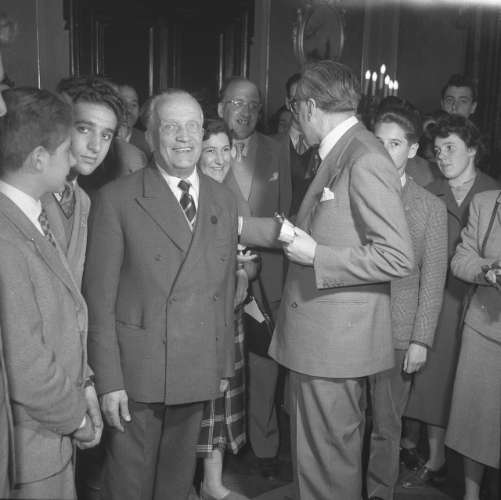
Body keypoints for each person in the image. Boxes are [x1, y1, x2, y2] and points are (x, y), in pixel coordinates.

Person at [240, 60, 414, 500]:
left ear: (310, 106)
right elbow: (311, 229)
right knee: (316, 462)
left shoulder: (364, 157)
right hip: (321, 341)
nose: (294, 118)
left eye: (294, 108)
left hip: (335, 345)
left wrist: (318, 256)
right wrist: (238, 226)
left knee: (327, 465)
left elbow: (397, 256)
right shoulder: (341, 151)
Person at [83, 89, 238, 500]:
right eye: (171, 127)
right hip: (137, 373)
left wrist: (222, 364)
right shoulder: (117, 199)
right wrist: (108, 381)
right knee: (129, 485)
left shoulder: (223, 198)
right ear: (150, 136)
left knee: (175, 482)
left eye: (192, 126)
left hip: (197, 364)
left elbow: (224, 292)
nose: (184, 137)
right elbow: (98, 301)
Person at [0, 87, 101, 499]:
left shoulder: (36, 212)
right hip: (30, 448)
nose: (73, 160)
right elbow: (24, 361)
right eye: (65, 151)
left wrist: (84, 383)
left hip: (50, 434)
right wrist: (77, 419)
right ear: (39, 158)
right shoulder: (6, 238)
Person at [402, 114, 499, 488]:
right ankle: (436, 456)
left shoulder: (492, 194)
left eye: (450, 148)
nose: (442, 156)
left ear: (472, 150)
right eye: (438, 150)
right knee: (436, 379)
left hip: (482, 305)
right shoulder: (428, 192)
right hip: (439, 297)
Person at [366, 105, 448, 500]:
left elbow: (433, 280)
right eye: (378, 142)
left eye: (394, 144)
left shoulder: (430, 207)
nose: (384, 151)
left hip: (398, 333)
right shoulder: (353, 192)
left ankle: (379, 493)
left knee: (387, 425)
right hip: (352, 325)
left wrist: (420, 340)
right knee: (346, 421)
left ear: (412, 150)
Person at [218, 76, 291, 478]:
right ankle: (219, 448)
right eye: (236, 103)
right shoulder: (206, 149)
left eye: (252, 105)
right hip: (221, 273)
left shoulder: (277, 150)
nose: (244, 112)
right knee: (224, 362)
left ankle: (265, 447)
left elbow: (288, 217)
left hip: (271, 276)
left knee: (266, 364)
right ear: (220, 108)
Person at [196, 119, 255, 500]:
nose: (219, 159)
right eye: (210, 150)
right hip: (197, 317)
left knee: (220, 400)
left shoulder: (232, 197)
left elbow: (249, 258)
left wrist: (244, 273)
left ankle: (212, 483)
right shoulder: (188, 196)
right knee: (198, 401)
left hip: (228, 316)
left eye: (225, 150)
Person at [42, 76, 124, 288]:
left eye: (106, 136)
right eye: (84, 129)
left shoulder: (84, 200)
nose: (95, 146)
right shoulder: (29, 194)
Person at [446, 189, 501, 500]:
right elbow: (461, 260)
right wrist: (488, 269)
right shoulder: (485, 203)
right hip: (484, 331)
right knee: (475, 423)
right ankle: (471, 495)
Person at [282, 72, 319, 216]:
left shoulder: (324, 145)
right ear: (287, 103)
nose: (300, 107)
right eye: (295, 101)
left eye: (306, 101)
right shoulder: (271, 145)